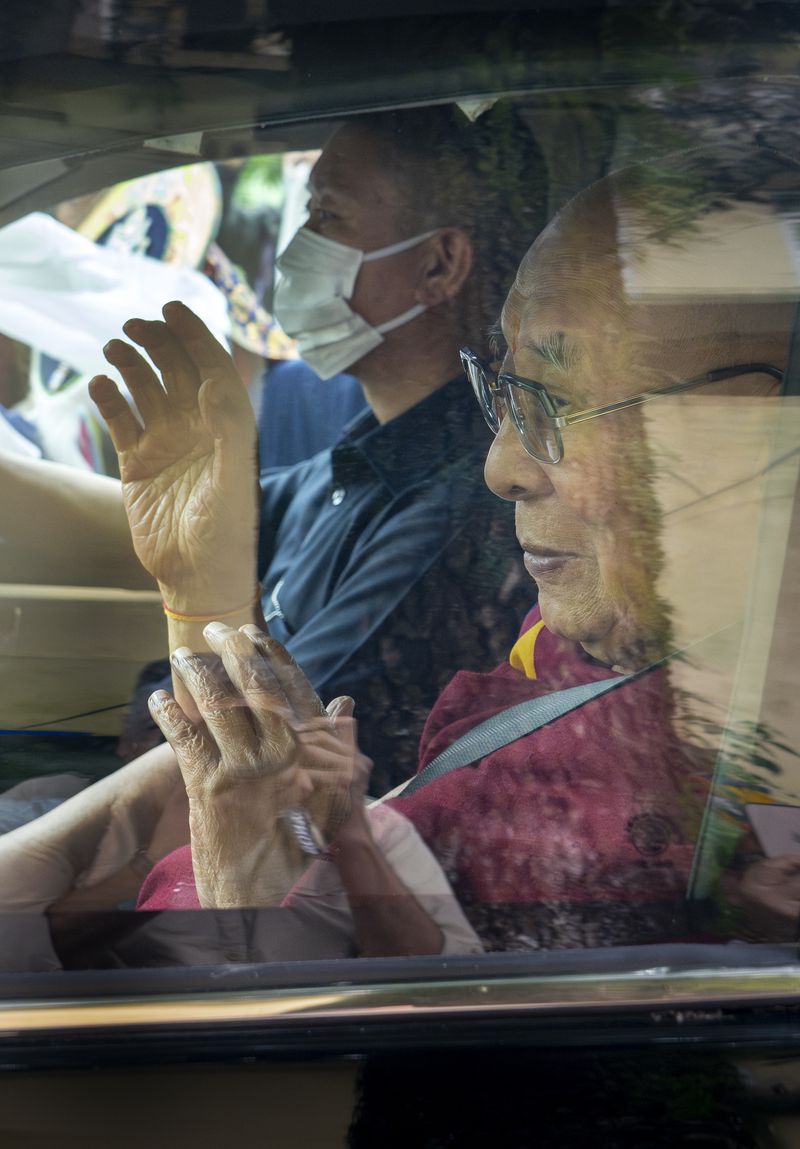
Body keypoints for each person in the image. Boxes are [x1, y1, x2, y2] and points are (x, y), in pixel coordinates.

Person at [134, 146, 800, 950]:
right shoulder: (577, 654)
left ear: (763, 428)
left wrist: (253, 892)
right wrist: (201, 590)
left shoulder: (700, 783)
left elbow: (442, 1049)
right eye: (507, 393)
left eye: (558, 401)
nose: (502, 468)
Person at [0, 104, 544, 792]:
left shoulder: (454, 516)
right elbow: (197, 523)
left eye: (328, 217)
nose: (296, 250)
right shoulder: (350, 469)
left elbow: (255, 749)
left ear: (439, 265)